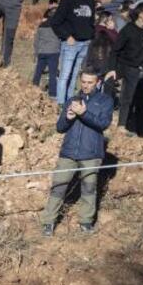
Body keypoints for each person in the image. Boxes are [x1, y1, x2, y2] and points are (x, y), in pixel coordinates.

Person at [40, 68, 113, 236]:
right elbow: (60, 128)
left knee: (89, 189)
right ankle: (48, 222)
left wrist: (84, 113)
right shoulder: (72, 99)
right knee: (58, 187)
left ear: (98, 82)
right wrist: (68, 117)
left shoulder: (105, 101)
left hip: (91, 154)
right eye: (84, 82)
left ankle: (86, 222)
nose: (86, 85)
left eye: (90, 82)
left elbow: (103, 124)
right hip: (69, 152)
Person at [107, 2, 143, 136]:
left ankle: (140, 130)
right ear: (140, 14)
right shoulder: (128, 30)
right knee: (126, 97)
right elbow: (115, 51)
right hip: (127, 66)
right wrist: (112, 69)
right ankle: (121, 125)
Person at [50, 0, 98, 105]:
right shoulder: (68, 0)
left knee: (74, 75)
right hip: (71, 43)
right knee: (65, 75)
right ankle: (60, 104)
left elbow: (91, 21)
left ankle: (69, 102)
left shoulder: (91, 1)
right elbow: (55, 22)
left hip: (85, 42)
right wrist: (66, 36)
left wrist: (91, 35)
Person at [32, 5, 60, 99]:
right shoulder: (57, 26)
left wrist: (35, 54)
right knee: (52, 74)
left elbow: (36, 41)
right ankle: (52, 94)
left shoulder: (41, 26)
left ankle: (33, 89)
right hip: (53, 52)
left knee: (38, 72)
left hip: (42, 52)